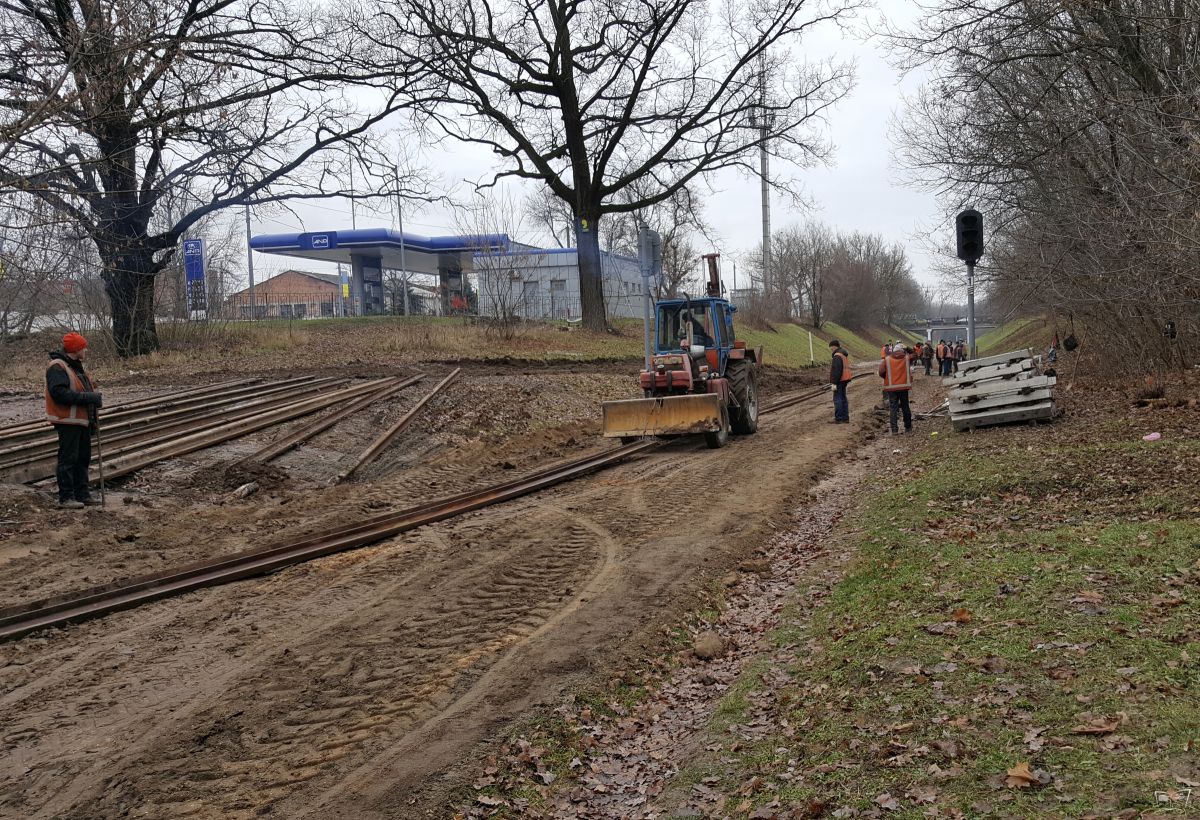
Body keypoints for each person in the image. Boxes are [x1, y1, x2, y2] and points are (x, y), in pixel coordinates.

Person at [45, 332, 103, 508]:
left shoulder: (74, 366)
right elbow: (59, 393)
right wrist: (88, 397)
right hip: (68, 421)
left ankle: (82, 494)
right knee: (68, 459)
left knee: (82, 458)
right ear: (76, 349)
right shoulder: (57, 367)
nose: (86, 350)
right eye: (83, 347)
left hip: (82, 421)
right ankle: (66, 497)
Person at [879, 342, 913, 435]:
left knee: (893, 408)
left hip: (891, 388)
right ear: (903, 350)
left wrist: (886, 378)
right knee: (905, 406)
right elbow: (915, 354)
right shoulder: (907, 358)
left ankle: (894, 429)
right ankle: (908, 427)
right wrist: (907, 347)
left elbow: (881, 371)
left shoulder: (887, 359)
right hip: (904, 387)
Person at [828, 339, 852, 423]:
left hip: (839, 380)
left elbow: (837, 370)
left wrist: (834, 382)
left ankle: (839, 418)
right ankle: (845, 418)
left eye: (831, 348)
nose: (831, 350)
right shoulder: (843, 354)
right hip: (845, 379)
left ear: (834, 346)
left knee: (837, 399)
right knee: (843, 398)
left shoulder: (837, 356)